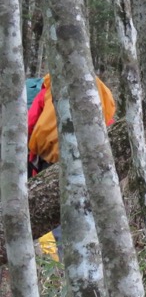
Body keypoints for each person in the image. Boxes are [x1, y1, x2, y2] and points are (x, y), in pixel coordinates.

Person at [27, 73, 116, 260]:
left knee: (51, 212)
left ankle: (55, 261)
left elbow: (31, 122)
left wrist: (30, 157)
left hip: (50, 157)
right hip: (91, 155)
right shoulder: (99, 88)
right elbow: (109, 118)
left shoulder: (46, 88)